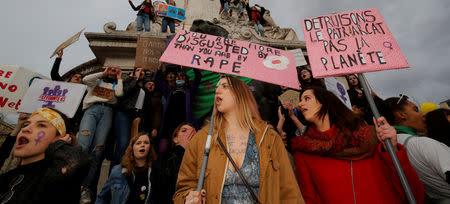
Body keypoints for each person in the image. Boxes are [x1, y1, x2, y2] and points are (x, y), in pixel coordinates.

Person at [174, 76, 303, 204]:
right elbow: (182, 190)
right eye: (216, 87)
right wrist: (188, 199)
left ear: (240, 93)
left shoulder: (269, 138)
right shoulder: (201, 139)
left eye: (225, 86)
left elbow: (289, 192)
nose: (217, 90)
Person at [291, 87, 425, 204]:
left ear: (325, 101)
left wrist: (392, 148)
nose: (300, 104)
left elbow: (414, 195)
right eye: (300, 100)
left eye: (306, 98)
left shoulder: (367, 137)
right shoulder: (304, 151)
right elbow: (310, 199)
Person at [0, 108, 90, 204]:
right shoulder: (8, 176)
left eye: (41, 125)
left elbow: (79, 162)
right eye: (26, 125)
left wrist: (60, 146)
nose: (25, 129)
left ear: (60, 139)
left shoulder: (54, 179)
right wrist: (18, 126)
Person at [379, 96, 450, 203]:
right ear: (401, 114)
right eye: (416, 110)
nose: (423, 114)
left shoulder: (392, 147)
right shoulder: (423, 144)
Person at [78, 66, 124, 203]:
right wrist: (103, 73)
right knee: (83, 146)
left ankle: (85, 188)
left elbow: (120, 94)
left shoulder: (116, 85)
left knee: (97, 151)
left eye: (116, 70)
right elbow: (85, 79)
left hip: (108, 112)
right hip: (92, 110)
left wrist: (120, 78)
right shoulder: (96, 81)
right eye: (111, 69)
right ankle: (73, 181)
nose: (113, 71)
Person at [96, 132, 157, 204]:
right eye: (138, 143)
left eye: (146, 143)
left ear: (150, 148)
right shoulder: (118, 171)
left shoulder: (155, 172)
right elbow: (102, 198)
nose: (142, 145)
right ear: (132, 148)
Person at [155, 66, 202, 153]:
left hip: (182, 124)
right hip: (168, 125)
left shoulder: (189, 91)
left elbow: (198, 77)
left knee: (182, 150)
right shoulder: (170, 91)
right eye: (178, 77)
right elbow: (158, 81)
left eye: (182, 76)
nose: (179, 78)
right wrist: (159, 68)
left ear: (186, 80)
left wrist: (194, 66)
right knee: (163, 149)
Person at [150, 123, 196, 204]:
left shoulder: (202, 158)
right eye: (184, 131)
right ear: (175, 139)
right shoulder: (165, 159)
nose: (189, 133)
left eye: (192, 131)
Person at [110, 68, 147, 169]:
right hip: (124, 113)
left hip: (136, 117)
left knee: (132, 146)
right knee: (123, 144)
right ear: (134, 73)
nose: (141, 71)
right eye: (138, 70)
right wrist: (134, 79)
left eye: (143, 70)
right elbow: (124, 93)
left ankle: (126, 170)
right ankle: (115, 172)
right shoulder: (128, 82)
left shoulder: (144, 88)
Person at [50, 48, 85, 133]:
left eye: (80, 78)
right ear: (70, 80)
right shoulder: (64, 86)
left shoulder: (84, 93)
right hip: (57, 117)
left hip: (72, 121)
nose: (78, 77)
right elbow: (54, 73)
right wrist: (59, 58)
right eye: (75, 76)